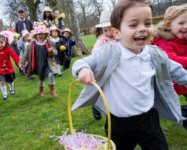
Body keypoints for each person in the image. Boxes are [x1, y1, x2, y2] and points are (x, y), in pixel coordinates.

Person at [72, 0, 187, 150]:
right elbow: (81, 63)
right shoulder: (108, 53)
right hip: (118, 123)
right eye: (133, 25)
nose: (142, 29)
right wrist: (83, 70)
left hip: (149, 119)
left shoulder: (155, 55)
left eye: (147, 23)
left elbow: (177, 71)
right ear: (116, 32)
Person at [152, 4, 187, 129]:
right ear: (168, 25)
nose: (186, 26)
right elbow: (171, 59)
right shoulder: (163, 42)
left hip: (183, 79)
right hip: (170, 81)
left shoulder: (182, 39)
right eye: (181, 23)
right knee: (168, 105)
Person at [91, 10, 116, 120]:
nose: (108, 33)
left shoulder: (119, 39)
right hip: (104, 69)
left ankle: (114, 110)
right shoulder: (102, 41)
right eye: (105, 30)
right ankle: (96, 107)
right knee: (102, 91)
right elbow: (95, 54)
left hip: (116, 69)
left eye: (110, 30)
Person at [21, 24, 58, 97]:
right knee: (41, 79)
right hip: (38, 64)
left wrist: (51, 51)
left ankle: (52, 91)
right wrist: (22, 63)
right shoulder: (31, 45)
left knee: (51, 75)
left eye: (42, 34)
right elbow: (25, 55)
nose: (40, 36)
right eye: (38, 34)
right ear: (35, 35)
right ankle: (40, 91)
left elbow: (55, 52)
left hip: (47, 64)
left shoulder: (49, 43)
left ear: (45, 35)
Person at [0, 34, 21, 100]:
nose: (0, 44)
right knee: (1, 81)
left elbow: (14, 55)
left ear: (5, 41)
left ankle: (11, 89)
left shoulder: (8, 48)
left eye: (2, 42)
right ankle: (4, 94)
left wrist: (19, 62)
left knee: (10, 81)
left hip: (8, 69)